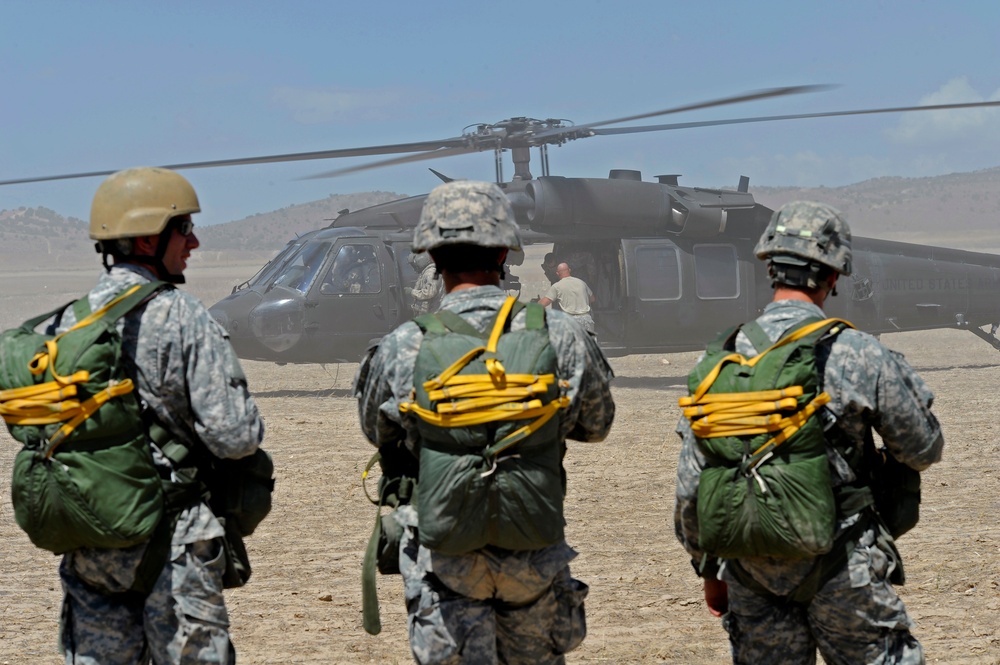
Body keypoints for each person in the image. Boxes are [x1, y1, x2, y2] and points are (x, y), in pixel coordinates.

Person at [355, 180, 615, 665]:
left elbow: (378, 431)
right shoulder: (557, 332)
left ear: (432, 252)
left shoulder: (403, 343)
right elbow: (596, 425)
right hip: (532, 552)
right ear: (504, 251)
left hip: (445, 556)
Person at [674, 201, 944, 664]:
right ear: (833, 276)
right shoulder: (858, 352)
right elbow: (921, 448)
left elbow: (691, 487)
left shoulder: (723, 359)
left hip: (751, 572)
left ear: (770, 270)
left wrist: (710, 571)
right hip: (843, 564)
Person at [53, 167, 265, 664]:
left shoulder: (68, 322)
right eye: (184, 228)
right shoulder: (183, 315)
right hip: (174, 539)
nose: (193, 243)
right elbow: (235, 436)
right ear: (150, 239)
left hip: (93, 541)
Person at [538, 262, 596, 334]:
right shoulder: (582, 283)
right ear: (569, 270)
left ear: (557, 273)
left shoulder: (557, 286)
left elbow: (544, 303)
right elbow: (593, 299)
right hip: (587, 320)